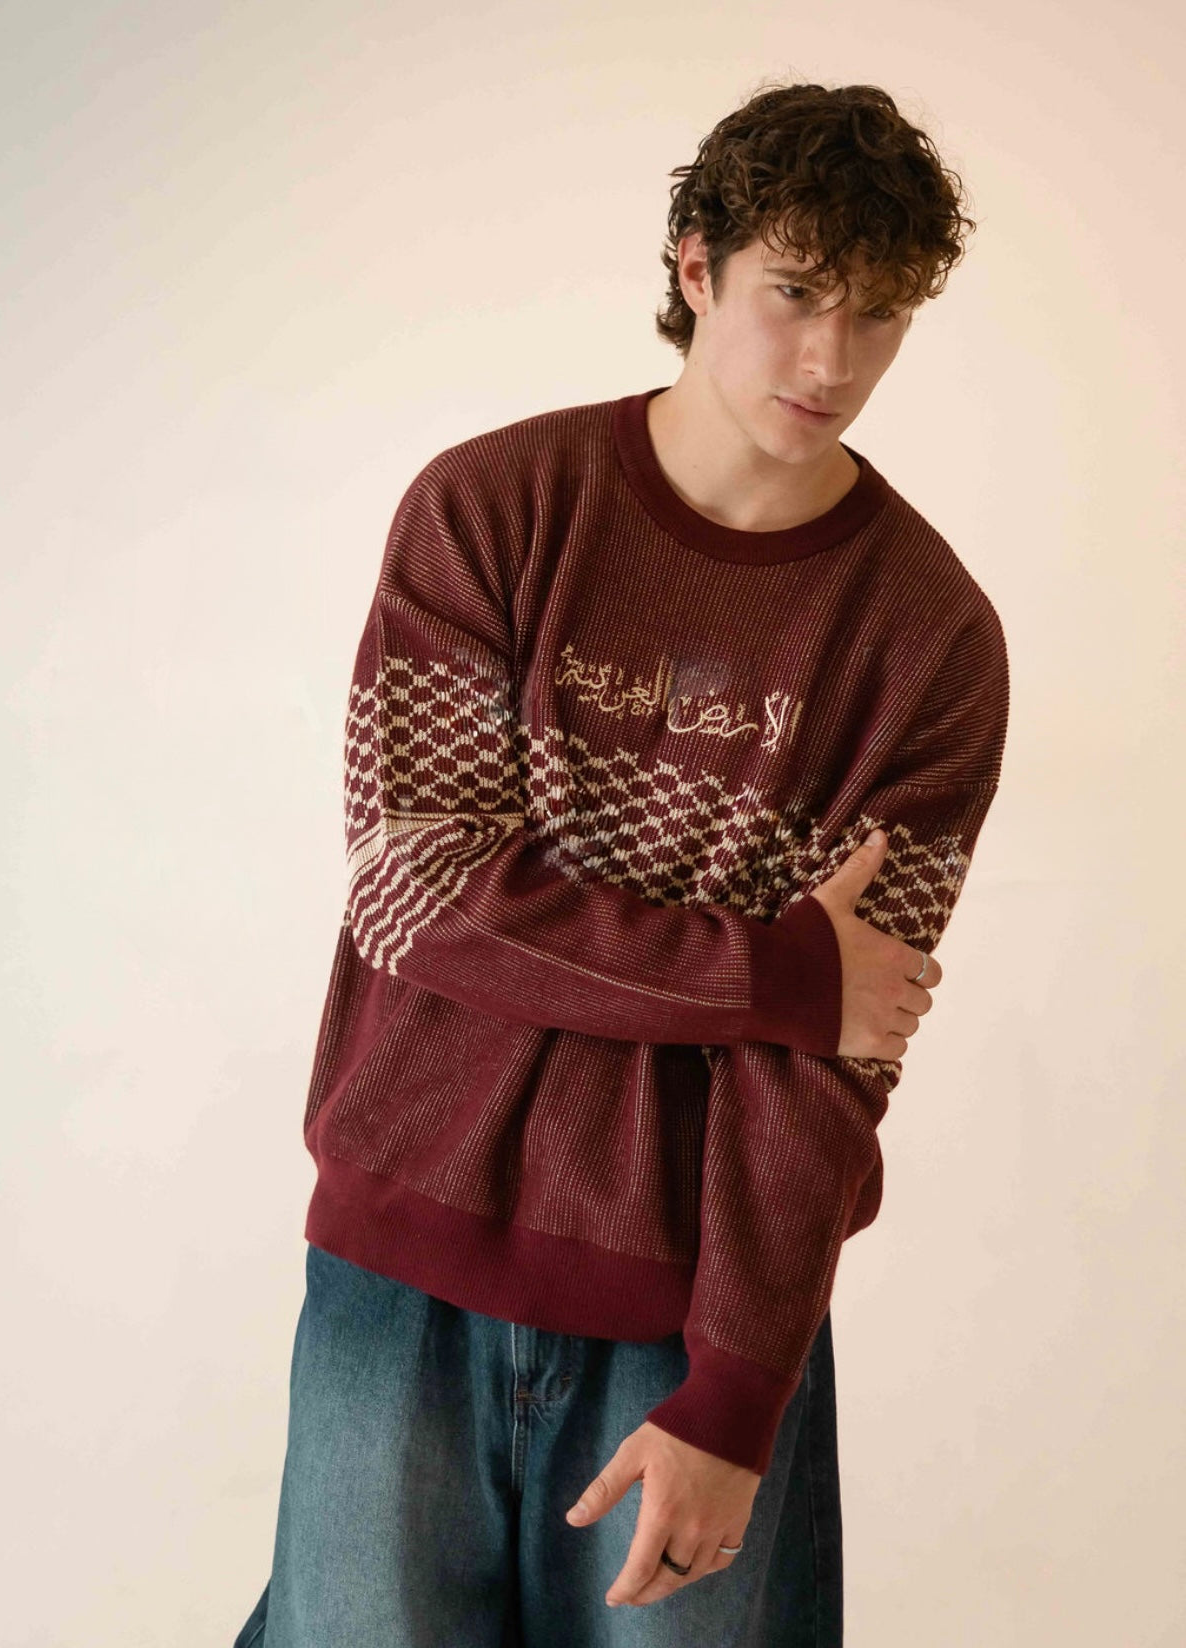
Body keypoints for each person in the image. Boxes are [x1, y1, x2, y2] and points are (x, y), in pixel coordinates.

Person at [232, 79, 1009, 1647]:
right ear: (693, 266)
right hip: (403, 1262)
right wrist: (774, 974)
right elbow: (416, 892)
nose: (831, 360)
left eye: (877, 314)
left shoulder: (927, 640)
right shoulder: (493, 510)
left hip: (695, 1309)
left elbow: (841, 1058)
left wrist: (736, 1386)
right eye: (796, 292)